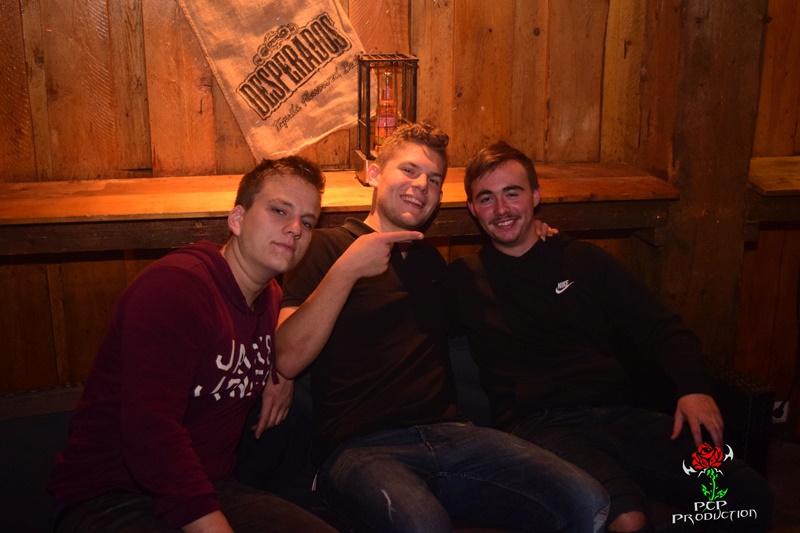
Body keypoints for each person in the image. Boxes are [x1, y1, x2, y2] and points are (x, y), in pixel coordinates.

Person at [273, 123, 609, 533]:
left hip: (453, 436)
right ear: (374, 174)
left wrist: (534, 237)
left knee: (587, 501)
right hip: (360, 448)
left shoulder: (433, 264)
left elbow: (506, 302)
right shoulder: (325, 246)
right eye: (409, 170)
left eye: (434, 180)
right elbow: (287, 356)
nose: (421, 185)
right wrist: (347, 270)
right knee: (422, 525)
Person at [446, 141, 774, 532]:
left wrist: (693, 388)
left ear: (535, 196)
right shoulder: (462, 280)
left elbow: (659, 325)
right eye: (487, 198)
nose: (501, 209)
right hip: (541, 429)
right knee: (627, 521)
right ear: (472, 209)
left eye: (512, 193)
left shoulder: (582, 259)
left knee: (748, 495)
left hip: (623, 416)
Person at [48, 157, 337, 533]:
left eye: (308, 222)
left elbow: (269, 349)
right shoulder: (176, 287)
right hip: (112, 493)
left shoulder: (269, 299)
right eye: (279, 210)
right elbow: (150, 429)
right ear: (237, 219)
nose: (295, 228)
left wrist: (281, 374)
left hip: (210, 486)